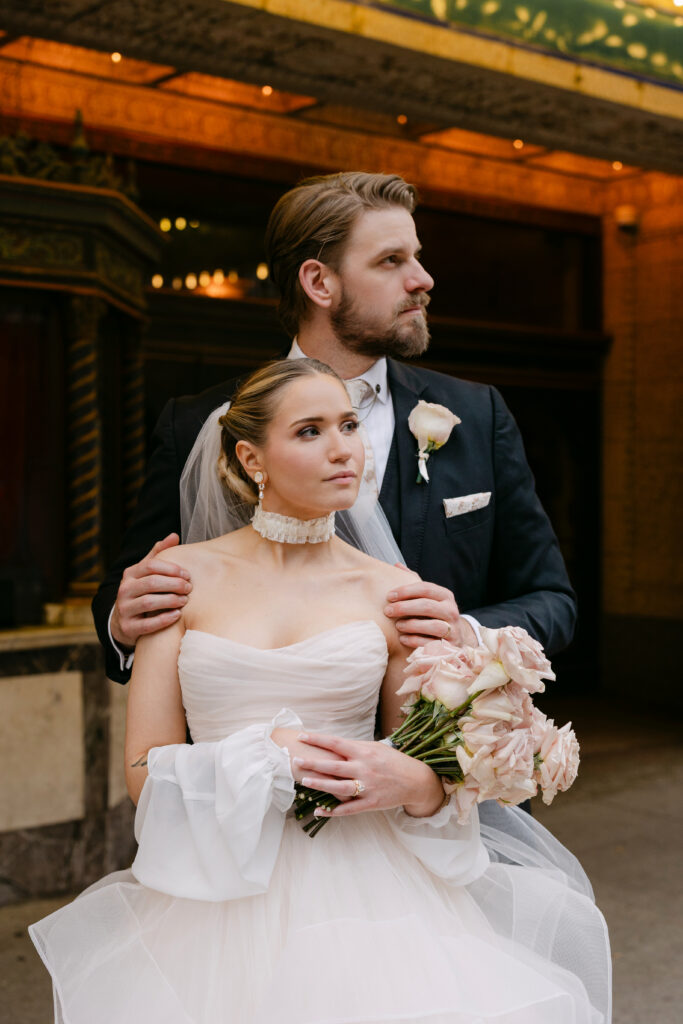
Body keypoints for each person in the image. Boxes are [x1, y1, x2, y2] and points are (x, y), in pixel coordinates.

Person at [31, 359, 610, 1023]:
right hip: (217, 894)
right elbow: (142, 772)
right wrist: (264, 759)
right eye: (309, 431)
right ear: (252, 456)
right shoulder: (178, 578)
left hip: (375, 889)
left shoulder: (390, 589)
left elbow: (421, 763)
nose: (344, 449)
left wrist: (414, 782)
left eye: (348, 426)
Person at [92, 171, 576, 686]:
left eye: (415, 256)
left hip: (428, 756)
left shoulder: (479, 415)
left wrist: (467, 634)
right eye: (392, 261)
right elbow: (124, 598)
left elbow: (554, 601)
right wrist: (121, 623)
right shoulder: (201, 423)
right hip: (252, 754)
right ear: (319, 282)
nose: (422, 279)